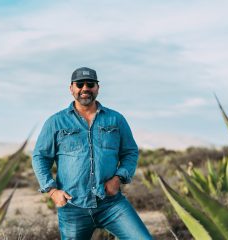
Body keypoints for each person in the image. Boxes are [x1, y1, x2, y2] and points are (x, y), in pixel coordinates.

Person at [32, 67, 153, 239]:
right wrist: (52, 191)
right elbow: (40, 157)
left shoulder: (115, 119)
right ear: (71, 88)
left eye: (90, 84)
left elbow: (130, 152)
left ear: (97, 87)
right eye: (80, 84)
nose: (85, 88)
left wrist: (118, 178)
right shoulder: (55, 122)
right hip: (73, 207)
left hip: (112, 204)